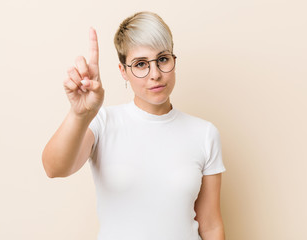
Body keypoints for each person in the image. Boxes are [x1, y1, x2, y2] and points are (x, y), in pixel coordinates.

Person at [42, 11, 226, 240]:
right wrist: (79, 114)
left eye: (163, 59)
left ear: (173, 59)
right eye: (140, 64)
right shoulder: (102, 122)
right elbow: (54, 168)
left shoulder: (204, 134)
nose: (155, 74)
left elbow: (210, 225)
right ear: (123, 71)